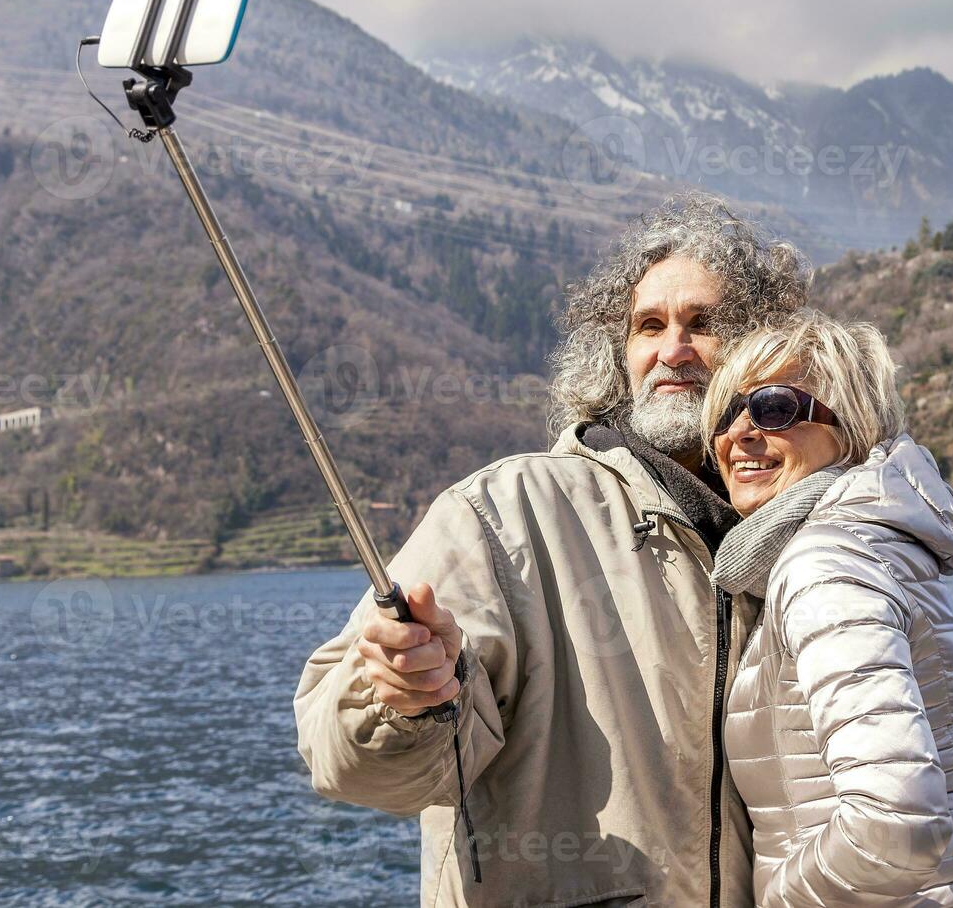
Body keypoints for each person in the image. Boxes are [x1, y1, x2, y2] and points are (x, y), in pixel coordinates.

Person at [294, 193, 810, 906]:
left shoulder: (807, 529)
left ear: (767, 350)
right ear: (617, 353)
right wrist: (403, 697)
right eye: (648, 326)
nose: (672, 350)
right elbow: (352, 767)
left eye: (705, 325)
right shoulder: (504, 514)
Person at [701, 309, 953, 907]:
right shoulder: (870, 542)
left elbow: (899, 821)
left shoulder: (823, 562)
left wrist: (780, 900)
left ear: (850, 430)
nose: (740, 432)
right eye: (728, 412)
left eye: (775, 407)